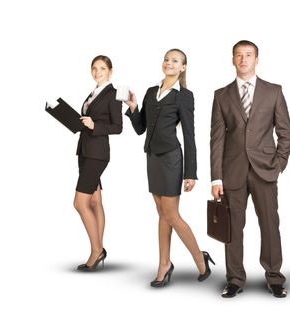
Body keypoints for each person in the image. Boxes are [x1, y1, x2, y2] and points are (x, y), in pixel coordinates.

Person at [210, 40, 290, 298]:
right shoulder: (221, 95)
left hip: (265, 169)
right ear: (232, 60)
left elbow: (286, 133)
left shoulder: (273, 91)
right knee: (232, 228)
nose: (243, 59)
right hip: (232, 171)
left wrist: (278, 164)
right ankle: (234, 278)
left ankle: (274, 277)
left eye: (248, 55)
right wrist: (216, 177)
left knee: (270, 224)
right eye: (239, 55)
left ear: (257, 59)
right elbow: (217, 138)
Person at [125, 49, 214, 287]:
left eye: (175, 60)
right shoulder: (151, 92)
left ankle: (200, 259)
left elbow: (189, 136)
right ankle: (164, 264)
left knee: (171, 214)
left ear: (183, 67)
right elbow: (140, 127)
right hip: (152, 158)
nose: (169, 63)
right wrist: (133, 107)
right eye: (166, 59)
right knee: (162, 213)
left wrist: (191, 172)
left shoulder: (184, 96)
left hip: (172, 159)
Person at [74, 55, 123, 271]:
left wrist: (94, 125)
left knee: (79, 203)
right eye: (94, 68)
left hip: (97, 153)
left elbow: (118, 127)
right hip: (85, 150)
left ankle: (96, 251)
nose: (98, 72)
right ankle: (99, 247)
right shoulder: (93, 93)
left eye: (102, 68)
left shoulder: (113, 94)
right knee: (94, 201)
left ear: (110, 71)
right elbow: (92, 120)